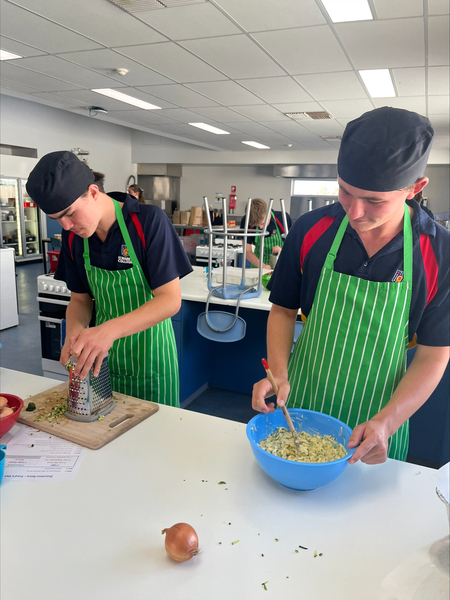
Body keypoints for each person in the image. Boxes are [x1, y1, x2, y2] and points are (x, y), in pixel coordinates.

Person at [252, 107, 449, 465]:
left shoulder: (439, 253)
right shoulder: (311, 230)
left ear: (414, 188)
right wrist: (278, 373)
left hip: (378, 421)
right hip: (300, 406)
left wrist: (387, 423)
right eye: (345, 191)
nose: (354, 212)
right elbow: (283, 310)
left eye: (374, 200)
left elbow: (435, 353)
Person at [26, 151, 193, 407]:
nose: (67, 226)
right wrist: (74, 338)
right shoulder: (74, 239)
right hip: (101, 362)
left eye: (70, 214)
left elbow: (170, 301)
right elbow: (81, 301)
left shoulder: (147, 222)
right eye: (57, 219)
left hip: (151, 359)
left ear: (93, 192)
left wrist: (107, 332)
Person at [239, 199, 292, 269]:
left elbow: (295, 247)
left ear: (269, 213)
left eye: (263, 223)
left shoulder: (284, 219)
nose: (260, 227)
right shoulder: (247, 221)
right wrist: (262, 266)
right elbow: (247, 250)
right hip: (258, 267)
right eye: (257, 225)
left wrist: (283, 251)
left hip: (281, 267)